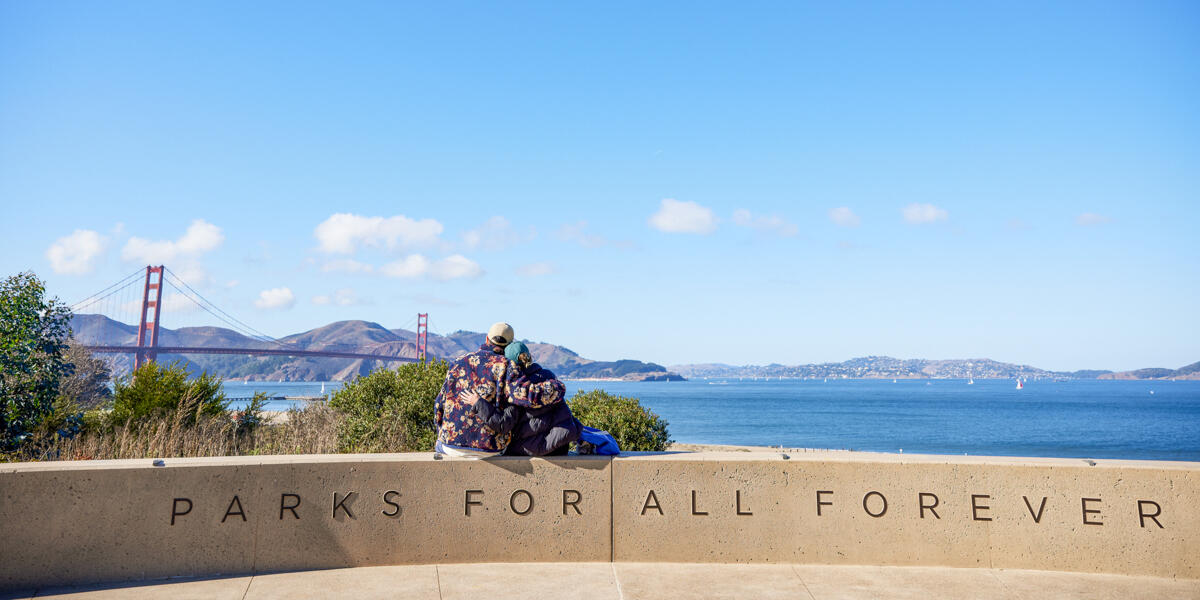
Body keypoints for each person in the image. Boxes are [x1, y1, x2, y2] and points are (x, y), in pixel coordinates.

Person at [433, 322, 517, 458]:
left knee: (439, 444)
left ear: (487, 339)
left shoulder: (458, 362)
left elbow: (438, 406)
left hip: (452, 446)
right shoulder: (508, 366)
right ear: (510, 345)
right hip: (491, 450)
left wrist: (444, 434)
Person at [497, 341, 581, 456]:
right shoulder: (548, 376)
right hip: (559, 444)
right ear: (529, 356)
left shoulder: (514, 387)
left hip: (527, 448)